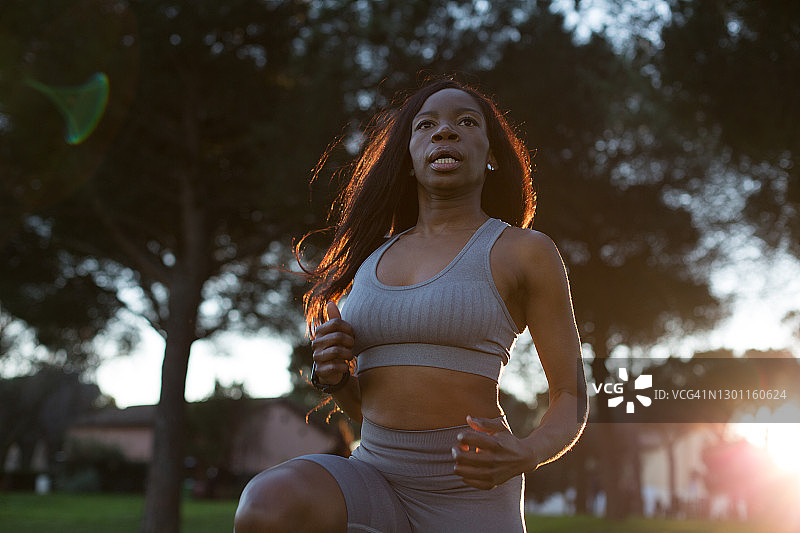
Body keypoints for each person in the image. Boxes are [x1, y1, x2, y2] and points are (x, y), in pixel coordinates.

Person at [234, 78, 587, 533]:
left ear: (492, 154)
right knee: (268, 504)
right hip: (375, 476)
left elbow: (571, 395)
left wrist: (529, 451)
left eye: (466, 122)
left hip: (469, 492)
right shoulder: (368, 258)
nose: (445, 132)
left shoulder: (524, 251)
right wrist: (338, 379)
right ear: (407, 159)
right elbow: (368, 410)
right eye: (426, 125)